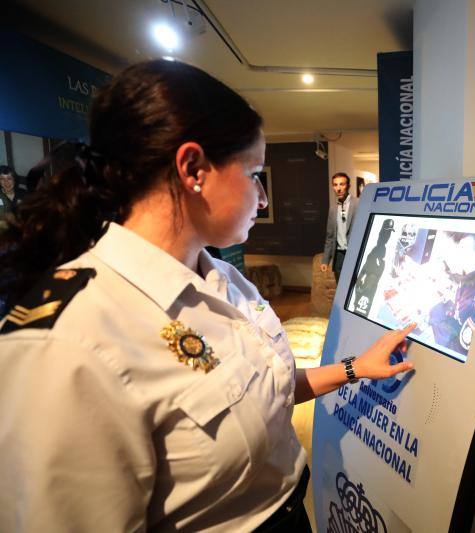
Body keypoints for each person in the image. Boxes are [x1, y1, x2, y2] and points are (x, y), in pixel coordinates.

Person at [0, 59, 414, 532]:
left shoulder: (222, 279)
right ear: (193, 167)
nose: (261, 198)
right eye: (254, 173)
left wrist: (355, 368)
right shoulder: (69, 342)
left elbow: (264, 392)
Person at [321, 172, 359, 281]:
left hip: (354, 253)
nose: (338, 188)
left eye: (342, 184)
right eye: (335, 185)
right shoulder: (333, 208)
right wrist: (325, 260)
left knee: (354, 286)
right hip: (339, 255)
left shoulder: (358, 204)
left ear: (348, 186)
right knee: (340, 287)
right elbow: (330, 236)